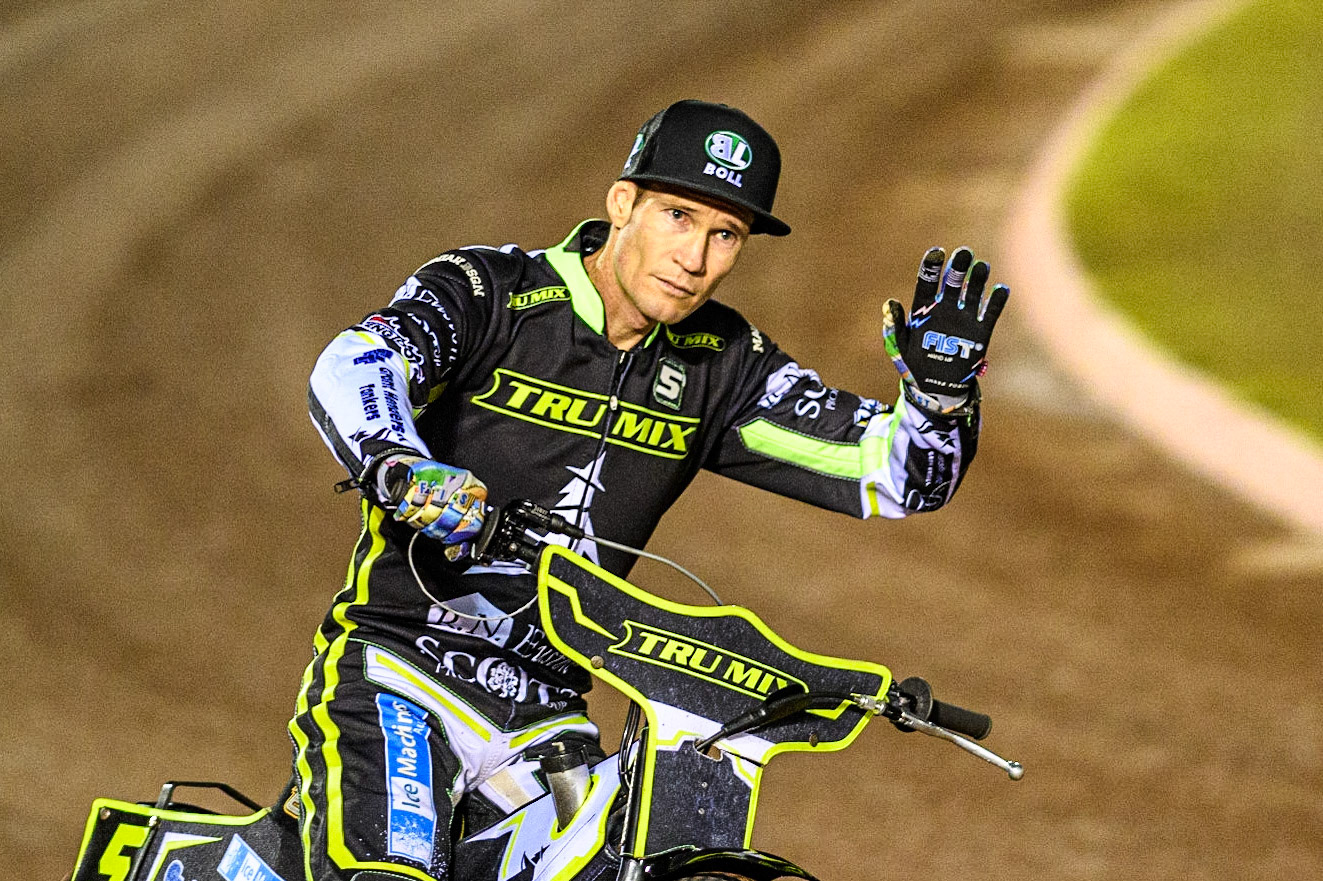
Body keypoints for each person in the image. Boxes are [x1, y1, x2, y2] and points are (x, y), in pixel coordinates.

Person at [288, 99, 1007, 881]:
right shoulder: (490, 288)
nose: (694, 257)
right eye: (677, 215)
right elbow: (356, 362)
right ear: (621, 202)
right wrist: (404, 466)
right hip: (399, 672)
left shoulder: (724, 360)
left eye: (724, 234)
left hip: (546, 713)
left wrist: (938, 404)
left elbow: (895, 477)